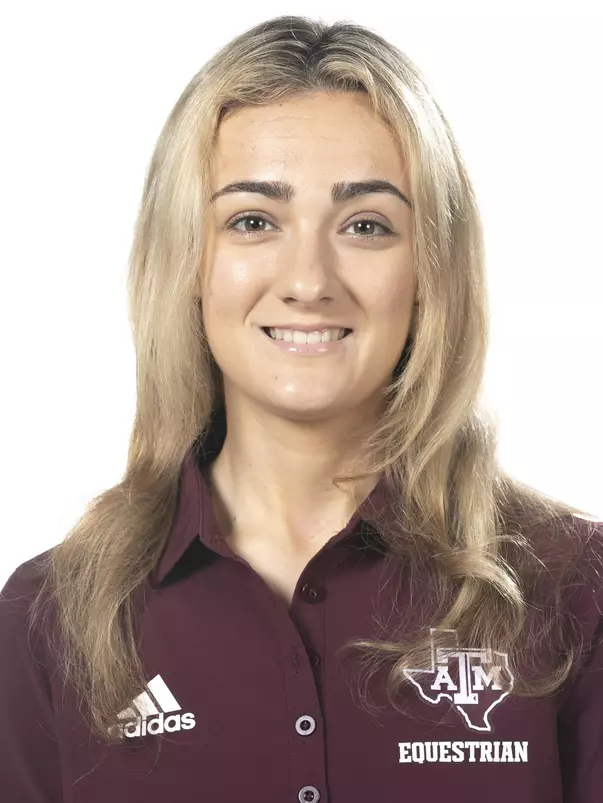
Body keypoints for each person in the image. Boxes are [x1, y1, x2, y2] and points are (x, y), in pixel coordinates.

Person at [1, 14, 601, 803]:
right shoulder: (52, 621)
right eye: (254, 220)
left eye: (365, 225)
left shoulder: (573, 590)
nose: (309, 279)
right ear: (189, 261)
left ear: (428, 269)